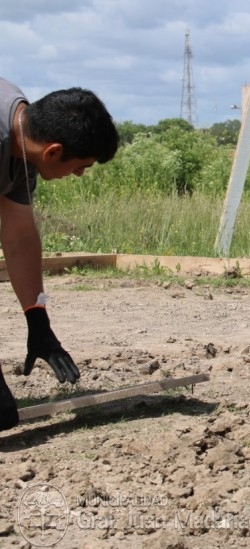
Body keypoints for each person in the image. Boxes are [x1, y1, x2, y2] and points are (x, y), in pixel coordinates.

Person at [0, 77, 119, 430]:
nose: (79, 174)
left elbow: (19, 235)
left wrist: (38, 320)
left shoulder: (22, 139)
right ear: (52, 151)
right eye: (81, 166)